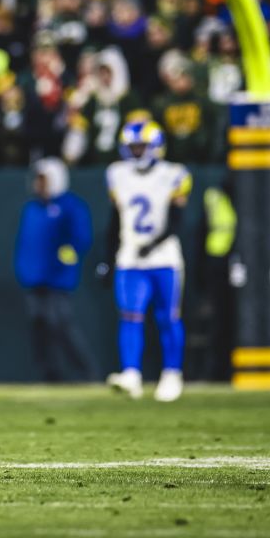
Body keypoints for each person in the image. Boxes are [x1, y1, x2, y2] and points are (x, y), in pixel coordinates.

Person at [99, 120, 191, 402]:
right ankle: (131, 375)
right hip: (130, 257)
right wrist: (108, 257)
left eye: (141, 146)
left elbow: (177, 221)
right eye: (132, 147)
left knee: (168, 317)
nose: (137, 152)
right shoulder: (117, 174)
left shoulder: (174, 174)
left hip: (164, 257)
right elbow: (115, 220)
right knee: (130, 316)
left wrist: (153, 244)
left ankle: (172, 374)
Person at [14, 158, 98, 382]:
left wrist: (63, 263)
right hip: (33, 279)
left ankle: (86, 372)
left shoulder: (70, 206)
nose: (38, 184)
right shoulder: (32, 207)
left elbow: (80, 240)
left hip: (57, 279)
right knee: (39, 329)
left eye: (43, 179)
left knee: (61, 325)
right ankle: (51, 376)